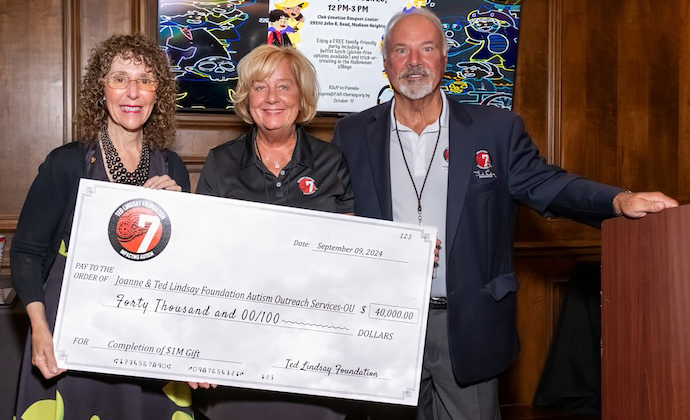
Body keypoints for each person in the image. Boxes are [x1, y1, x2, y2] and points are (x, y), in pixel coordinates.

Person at [331, 8, 678, 420]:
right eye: (401, 51)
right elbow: (337, 217)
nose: (414, 62)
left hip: (467, 326)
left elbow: (547, 183)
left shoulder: (494, 129)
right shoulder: (351, 133)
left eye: (426, 49)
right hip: (385, 325)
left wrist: (618, 201)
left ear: (445, 57)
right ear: (385, 60)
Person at [10, 33, 192, 419]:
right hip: (70, 330)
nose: (132, 92)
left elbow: (180, 266)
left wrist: (179, 211)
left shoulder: (172, 167)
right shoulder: (65, 163)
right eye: (120, 78)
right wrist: (41, 329)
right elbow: (26, 252)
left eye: (145, 80)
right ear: (101, 89)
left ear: (157, 93)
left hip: (147, 333)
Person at [193, 44, 354, 419]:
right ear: (247, 98)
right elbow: (202, 258)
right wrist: (199, 343)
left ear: (302, 96)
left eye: (283, 86)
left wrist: (405, 256)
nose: (271, 98)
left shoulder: (332, 162)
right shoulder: (221, 162)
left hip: (314, 343)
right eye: (260, 87)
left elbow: (351, 254)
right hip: (238, 340)